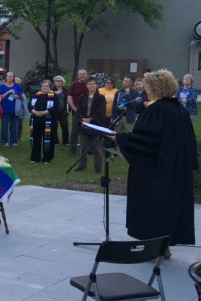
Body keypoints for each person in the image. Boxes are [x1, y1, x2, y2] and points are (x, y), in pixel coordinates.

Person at [114, 69, 197, 256]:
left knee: (152, 208)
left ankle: (152, 250)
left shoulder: (156, 110)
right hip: (176, 169)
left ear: (156, 88)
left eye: (148, 87)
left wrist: (120, 138)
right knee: (168, 209)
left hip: (155, 171)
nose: (146, 90)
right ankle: (163, 247)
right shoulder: (178, 109)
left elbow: (143, 143)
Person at [74, 76, 108, 172]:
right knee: (83, 148)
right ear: (86, 86)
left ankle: (98, 168)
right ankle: (82, 166)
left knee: (97, 149)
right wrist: (82, 119)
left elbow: (101, 111)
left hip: (96, 125)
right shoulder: (82, 97)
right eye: (89, 84)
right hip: (84, 125)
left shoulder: (101, 98)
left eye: (93, 84)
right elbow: (78, 111)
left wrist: (91, 119)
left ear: (96, 85)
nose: (91, 85)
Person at [29, 80, 58, 164]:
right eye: (43, 86)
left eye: (47, 86)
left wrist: (43, 113)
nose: (45, 88)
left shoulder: (54, 96)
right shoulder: (36, 95)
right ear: (41, 87)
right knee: (36, 139)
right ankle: (35, 158)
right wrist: (34, 112)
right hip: (36, 120)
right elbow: (30, 105)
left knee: (48, 140)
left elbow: (55, 107)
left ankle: (47, 159)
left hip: (48, 121)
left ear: (50, 87)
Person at [0, 72, 24, 146]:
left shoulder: (17, 86)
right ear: (6, 77)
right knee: (4, 126)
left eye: (11, 76)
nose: (10, 78)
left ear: (13, 77)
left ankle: (14, 141)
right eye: (9, 76)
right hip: (4, 109)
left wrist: (17, 96)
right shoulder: (2, 86)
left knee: (14, 126)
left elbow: (21, 94)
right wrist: (8, 92)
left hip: (15, 109)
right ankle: (5, 141)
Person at [67, 68, 89, 154]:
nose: (82, 75)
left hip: (89, 112)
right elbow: (69, 97)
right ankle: (72, 149)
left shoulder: (91, 84)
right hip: (77, 112)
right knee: (75, 131)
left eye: (84, 74)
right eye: (80, 74)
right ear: (78, 75)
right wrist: (74, 108)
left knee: (88, 131)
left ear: (86, 75)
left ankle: (88, 149)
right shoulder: (74, 85)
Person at [52, 75, 69, 145]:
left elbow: (68, 100)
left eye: (60, 81)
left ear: (62, 82)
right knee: (54, 127)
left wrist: (68, 110)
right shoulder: (51, 90)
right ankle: (55, 142)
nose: (58, 82)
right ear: (54, 82)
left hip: (63, 111)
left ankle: (66, 142)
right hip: (54, 111)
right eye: (57, 81)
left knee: (65, 127)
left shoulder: (66, 90)